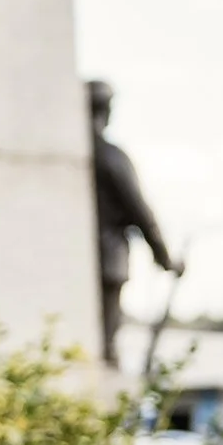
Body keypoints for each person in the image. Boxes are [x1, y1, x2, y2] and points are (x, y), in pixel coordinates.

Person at [89, 79, 183, 368]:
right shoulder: (108, 155)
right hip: (107, 258)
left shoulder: (84, 155)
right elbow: (140, 210)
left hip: (92, 258)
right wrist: (166, 258)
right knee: (105, 348)